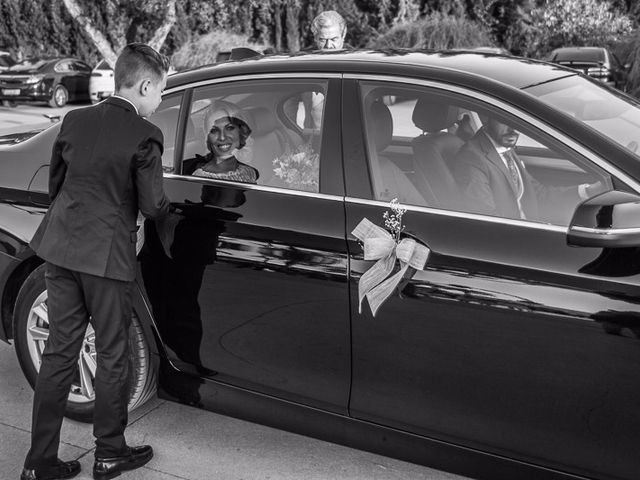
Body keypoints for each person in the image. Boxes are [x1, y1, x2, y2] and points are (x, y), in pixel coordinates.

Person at [22, 43, 172, 480]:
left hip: (60, 248)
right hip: (106, 258)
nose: (159, 101)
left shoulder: (75, 119)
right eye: (160, 92)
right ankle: (109, 454)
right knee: (112, 354)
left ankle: (39, 463)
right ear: (144, 85)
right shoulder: (146, 135)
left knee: (58, 354)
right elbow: (153, 202)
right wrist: (163, 215)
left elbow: (57, 184)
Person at [454, 116, 602, 222]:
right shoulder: (471, 158)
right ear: (486, 118)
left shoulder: (504, 147)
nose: (513, 129)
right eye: (504, 120)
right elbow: (485, 219)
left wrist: (589, 191)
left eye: (517, 121)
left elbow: (537, 193)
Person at [183, 100, 259, 184]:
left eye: (229, 128)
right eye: (214, 130)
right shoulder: (202, 179)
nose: (222, 137)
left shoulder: (249, 171)